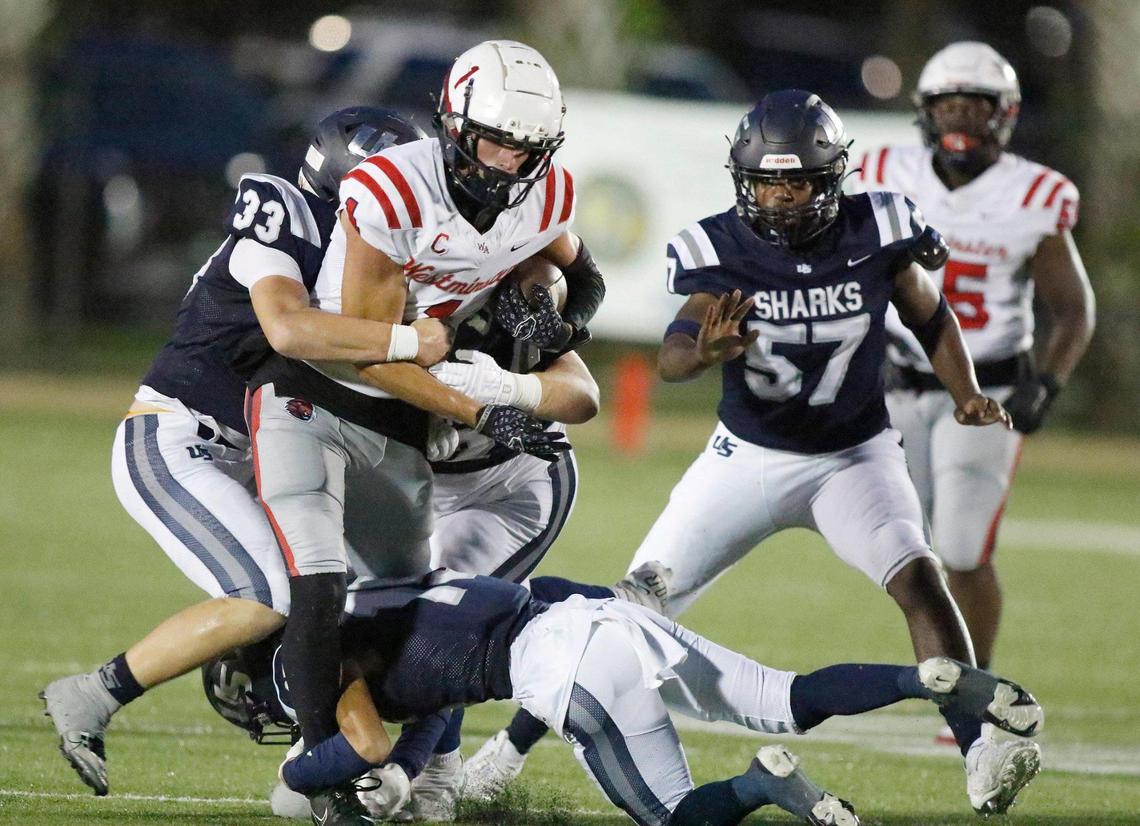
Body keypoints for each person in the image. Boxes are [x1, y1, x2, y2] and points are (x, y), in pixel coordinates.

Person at [596, 89, 1038, 816]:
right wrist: (704, 351)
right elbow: (675, 353)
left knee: (922, 584)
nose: (779, 196)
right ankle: (508, 747)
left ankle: (981, 746)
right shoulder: (719, 247)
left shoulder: (878, 228)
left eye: (795, 180)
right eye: (766, 181)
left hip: (853, 458)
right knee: (629, 609)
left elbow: (929, 316)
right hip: (746, 459)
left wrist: (963, 392)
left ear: (831, 178)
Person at [38, 108, 447, 798]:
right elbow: (289, 329)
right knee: (271, 594)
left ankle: (347, 767)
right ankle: (93, 693)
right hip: (180, 438)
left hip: (259, 455)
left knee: (331, 601)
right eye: (399, 178)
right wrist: (408, 343)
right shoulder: (285, 211)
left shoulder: (375, 255)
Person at [250, 39, 606, 821]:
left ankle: (393, 768)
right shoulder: (394, 202)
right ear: (451, 126)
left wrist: (539, 344)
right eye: (493, 143)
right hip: (397, 427)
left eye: (526, 151)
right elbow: (378, 354)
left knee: (441, 620)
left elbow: (582, 311)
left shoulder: (537, 224)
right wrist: (477, 403)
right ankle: (351, 751)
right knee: (372, 618)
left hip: (500, 476)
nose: (508, 166)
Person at [204, 570, 1043, 826]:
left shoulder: (303, 658)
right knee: (787, 695)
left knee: (677, 819)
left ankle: (763, 785)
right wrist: (421, 779)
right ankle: (919, 678)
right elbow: (430, 702)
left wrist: (305, 779)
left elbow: (366, 744)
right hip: (593, 613)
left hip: (563, 664)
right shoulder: (386, 587)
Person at [846, 42, 1095, 713]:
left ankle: (974, 688)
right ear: (924, 112)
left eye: (975, 104)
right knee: (912, 549)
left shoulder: (1033, 192)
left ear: (1004, 115)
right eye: (948, 103)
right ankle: (945, 678)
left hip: (985, 394)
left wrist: (1047, 381)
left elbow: (1071, 307)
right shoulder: (882, 171)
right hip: (896, 388)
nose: (960, 116)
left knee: (962, 545)